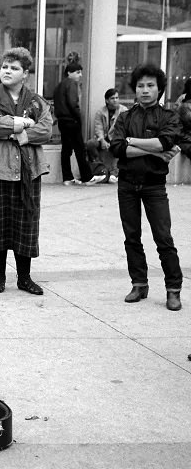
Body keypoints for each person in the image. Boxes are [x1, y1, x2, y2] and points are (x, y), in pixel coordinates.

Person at [0, 47, 53, 296]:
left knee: (25, 226)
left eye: (14, 68)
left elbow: (46, 130)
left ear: (25, 73)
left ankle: (24, 278)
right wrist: (22, 123)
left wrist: (22, 134)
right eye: (5, 66)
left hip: (28, 172)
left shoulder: (37, 101)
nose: (8, 71)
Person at [109, 63, 183, 312]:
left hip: (154, 187)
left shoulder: (169, 117)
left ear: (159, 89)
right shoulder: (125, 116)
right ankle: (139, 284)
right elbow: (117, 148)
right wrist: (153, 149)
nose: (145, 90)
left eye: (150, 85)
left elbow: (165, 141)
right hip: (127, 184)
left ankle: (173, 290)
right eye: (141, 85)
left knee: (164, 238)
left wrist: (133, 141)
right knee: (132, 237)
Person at [53, 62, 94, 185]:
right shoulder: (71, 84)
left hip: (62, 121)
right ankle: (87, 177)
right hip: (72, 120)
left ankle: (67, 178)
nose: (80, 75)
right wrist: (78, 117)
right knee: (79, 148)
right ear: (69, 73)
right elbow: (73, 103)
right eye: (77, 72)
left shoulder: (59, 86)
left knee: (66, 150)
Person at [87, 88, 128, 183]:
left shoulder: (124, 111)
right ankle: (100, 169)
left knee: (121, 145)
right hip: (103, 139)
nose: (115, 100)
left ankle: (114, 173)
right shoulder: (100, 112)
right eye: (113, 98)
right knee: (90, 144)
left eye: (117, 98)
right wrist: (102, 141)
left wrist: (114, 141)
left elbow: (124, 129)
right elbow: (98, 128)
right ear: (107, 100)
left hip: (117, 139)